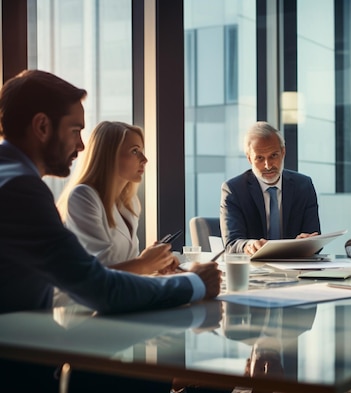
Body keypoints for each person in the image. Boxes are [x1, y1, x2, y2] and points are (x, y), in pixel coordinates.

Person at [0, 69, 221, 392]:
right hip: (18, 369)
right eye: (75, 130)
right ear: (42, 126)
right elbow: (100, 288)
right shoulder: (21, 188)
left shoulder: (11, 176)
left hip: (34, 346)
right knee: (193, 381)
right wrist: (193, 283)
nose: (80, 144)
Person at [56, 121, 177, 276]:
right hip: (87, 298)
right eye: (135, 151)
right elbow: (100, 271)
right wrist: (144, 263)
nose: (144, 159)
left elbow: (125, 266)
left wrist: (155, 263)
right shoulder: (83, 196)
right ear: (109, 156)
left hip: (119, 294)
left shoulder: (129, 202)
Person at [220, 121, 321, 255]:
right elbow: (232, 243)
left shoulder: (303, 185)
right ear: (249, 158)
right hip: (255, 270)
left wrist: (306, 242)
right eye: (260, 158)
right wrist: (249, 245)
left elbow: (316, 238)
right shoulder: (234, 190)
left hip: (295, 267)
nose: (268, 165)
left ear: (283, 152)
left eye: (273, 155)